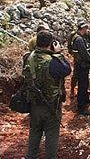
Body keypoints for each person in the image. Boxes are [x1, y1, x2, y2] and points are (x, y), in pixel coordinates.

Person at [23, 30, 71, 159]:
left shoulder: (29, 58)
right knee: (51, 134)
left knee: (34, 131)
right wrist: (59, 53)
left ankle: (30, 156)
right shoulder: (53, 61)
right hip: (51, 105)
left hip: (34, 104)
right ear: (50, 44)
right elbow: (67, 69)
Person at [71, 21, 90, 116]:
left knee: (85, 83)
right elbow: (84, 53)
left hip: (82, 64)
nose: (86, 30)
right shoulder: (79, 39)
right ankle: (81, 108)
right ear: (82, 28)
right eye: (85, 28)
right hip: (82, 65)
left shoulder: (78, 37)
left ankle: (85, 99)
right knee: (82, 85)